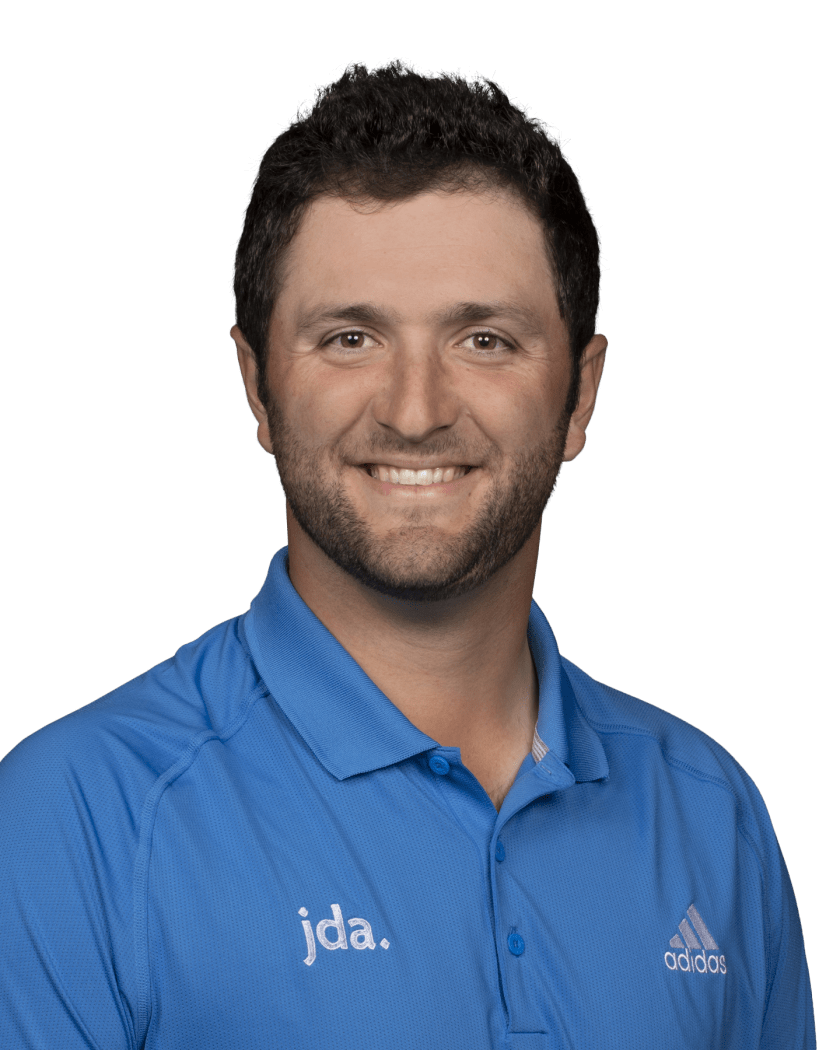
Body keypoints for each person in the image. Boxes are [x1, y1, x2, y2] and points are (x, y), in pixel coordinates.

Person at [0, 60, 814, 1050]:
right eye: (350, 338)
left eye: (484, 340)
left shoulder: (714, 820)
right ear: (259, 388)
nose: (416, 410)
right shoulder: (78, 821)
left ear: (581, 395)